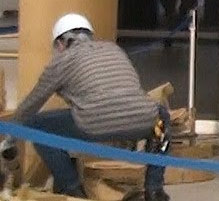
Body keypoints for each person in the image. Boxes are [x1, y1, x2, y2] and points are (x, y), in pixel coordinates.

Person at [12, 14, 171, 200]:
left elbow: (32, 103)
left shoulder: (62, 61)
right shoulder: (114, 49)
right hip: (144, 118)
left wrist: (9, 135)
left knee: (37, 125)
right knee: (162, 120)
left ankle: (71, 189)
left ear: (61, 43)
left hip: (94, 123)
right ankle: (154, 189)